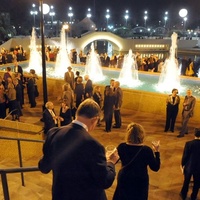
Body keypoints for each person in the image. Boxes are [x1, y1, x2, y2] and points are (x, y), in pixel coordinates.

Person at [38, 99, 119, 200]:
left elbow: (44, 167)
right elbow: (105, 181)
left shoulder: (53, 133)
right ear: (94, 120)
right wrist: (111, 162)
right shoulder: (94, 145)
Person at [113, 122, 160, 200]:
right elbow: (155, 167)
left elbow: (114, 160)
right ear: (141, 135)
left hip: (125, 177)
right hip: (140, 180)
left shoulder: (121, 147)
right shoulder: (146, 150)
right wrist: (157, 152)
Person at [179, 128, 200, 200]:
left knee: (186, 181)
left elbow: (185, 156)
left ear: (194, 134)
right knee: (197, 182)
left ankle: (184, 194)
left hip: (189, 166)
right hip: (199, 167)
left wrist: (182, 165)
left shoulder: (189, 144)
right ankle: (194, 196)